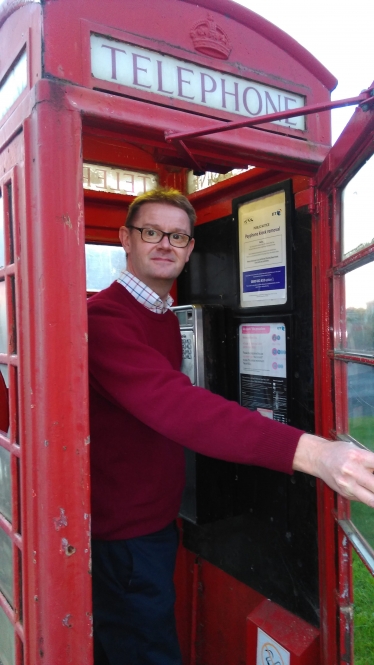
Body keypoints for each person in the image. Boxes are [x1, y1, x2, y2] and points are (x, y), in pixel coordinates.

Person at [88, 187, 374, 665]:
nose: (165, 245)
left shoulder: (159, 314)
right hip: (123, 535)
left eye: (178, 237)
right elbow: (180, 407)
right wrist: (317, 454)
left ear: (191, 248)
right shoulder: (105, 321)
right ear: (125, 238)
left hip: (156, 519)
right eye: (152, 232)